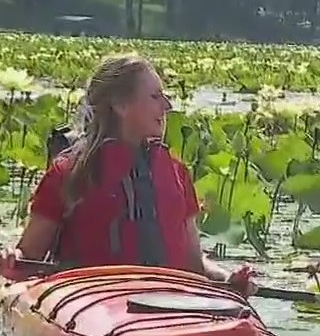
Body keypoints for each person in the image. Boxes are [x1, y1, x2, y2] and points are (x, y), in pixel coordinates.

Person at [0, 53, 256, 295]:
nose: (167, 106)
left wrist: (226, 279)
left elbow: (194, 264)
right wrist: (14, 259)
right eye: (155, 97)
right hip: (90, 304)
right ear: (121, 105)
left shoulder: (176, 171)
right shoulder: (67, 174)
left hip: (171, 302)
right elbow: (29, 257)